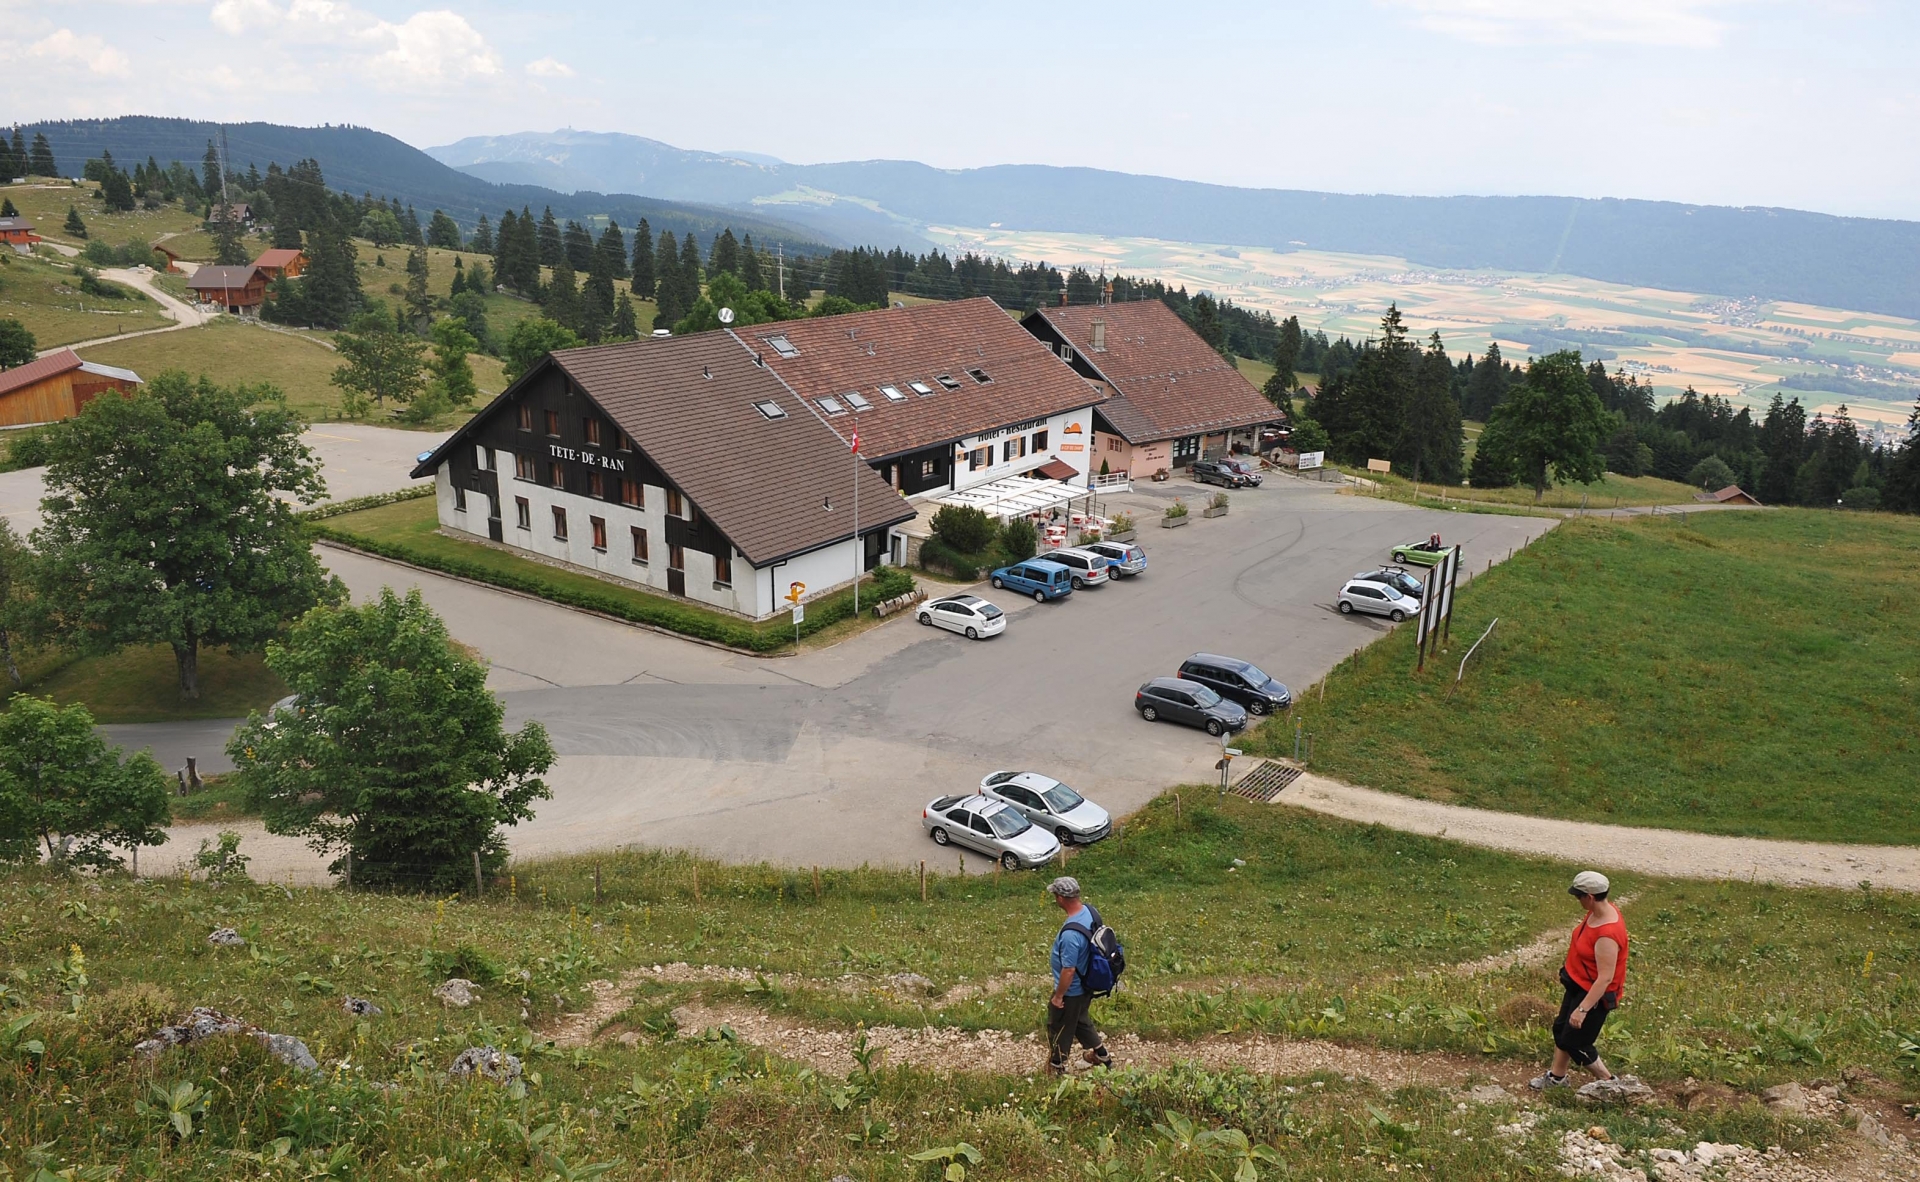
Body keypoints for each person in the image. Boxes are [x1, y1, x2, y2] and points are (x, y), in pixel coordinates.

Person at [1531, 870, 1628, 1090]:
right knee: (1561, 1030)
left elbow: (1605, 978)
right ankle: (1557, 1078)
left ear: (1590, 897)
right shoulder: (1599, 911)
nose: (1577, 900)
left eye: (1579, 896)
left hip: (1594, 994)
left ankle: (1610, 1083)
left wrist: (1583, 1010)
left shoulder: (1607, 934)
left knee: (1576, 1042)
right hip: (1578, 984)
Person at [1045, 876, 1113, 1075]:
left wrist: (1058, 997)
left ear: (1060, 898)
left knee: (1058, 1025)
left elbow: (1069, 970)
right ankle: (1102, 1056)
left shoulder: (1070, 935)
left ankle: (1056, 1066)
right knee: (1080, 1020)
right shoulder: (1090, 912)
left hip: (1072, 989)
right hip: (1087, 984)